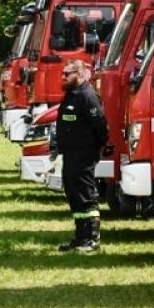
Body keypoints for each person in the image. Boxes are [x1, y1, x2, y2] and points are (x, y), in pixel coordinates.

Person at [55, 58, 107, 252]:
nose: (63, 76)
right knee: (74, 194)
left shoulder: (87, 96)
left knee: (86, 195)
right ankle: (80, 237)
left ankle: (92, 239)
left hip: (84, 155)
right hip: (70, 155)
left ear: (80, 74)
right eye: (63, 73)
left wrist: (92, 148)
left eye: (67, 74)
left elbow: (100, 127)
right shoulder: (71, 95)